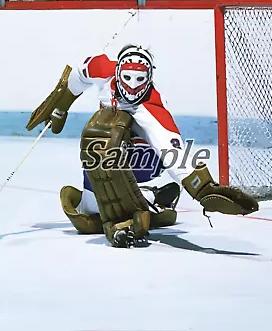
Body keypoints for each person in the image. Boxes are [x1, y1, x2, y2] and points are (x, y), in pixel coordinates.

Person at [26, 45, 259, 248]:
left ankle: (127, 202)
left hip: (147, 157)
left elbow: (172, 150)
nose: (133, 86)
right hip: (110, 148)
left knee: (105, 142)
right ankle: (146, 200)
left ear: (149, 78)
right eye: (127, 78)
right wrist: (61, 106)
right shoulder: (102, 69)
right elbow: (78, 76)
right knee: (97, 155)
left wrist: (203, 189)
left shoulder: (153, 106)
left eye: (140, 80)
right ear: (118, 72)